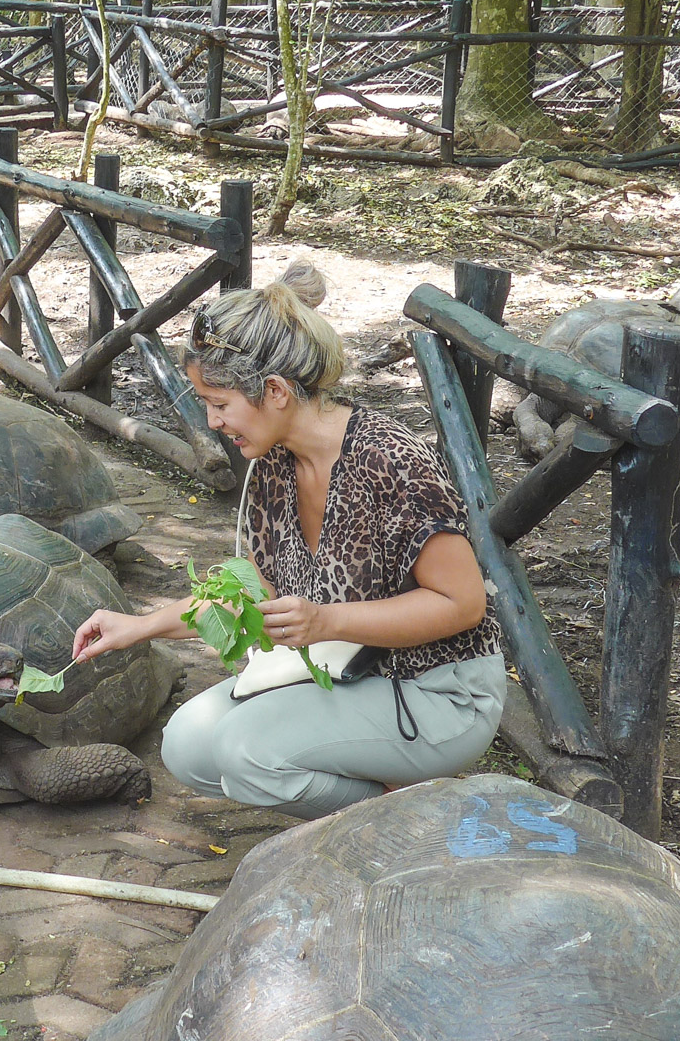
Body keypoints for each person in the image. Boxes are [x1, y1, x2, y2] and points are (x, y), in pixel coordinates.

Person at [70, 260, 506, 819]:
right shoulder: (272, 463)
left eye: (220, 404)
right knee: (188, 748)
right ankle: (389, 805)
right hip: (346, 675)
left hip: (437, 691)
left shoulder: (393, 460)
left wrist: (327, 621)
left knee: (247, 752)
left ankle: (416, 822)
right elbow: (254, 596)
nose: (211, 423)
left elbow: (462, 605)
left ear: (274, 391)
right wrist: (139, 626)